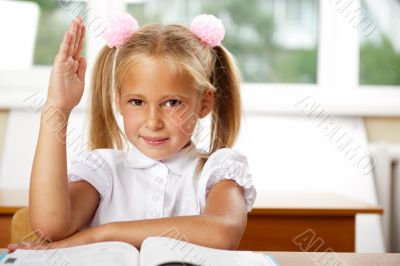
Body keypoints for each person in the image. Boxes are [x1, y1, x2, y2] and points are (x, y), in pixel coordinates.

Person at [8, 13, 256, 251]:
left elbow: (223, 231)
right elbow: (50, 226)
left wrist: (100, 234)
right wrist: (57, 108)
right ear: (118, 101)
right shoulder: (103, 170)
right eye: (137, 102)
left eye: (172, 103)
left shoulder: (217, 171)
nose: (153, 121)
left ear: (204, 103)